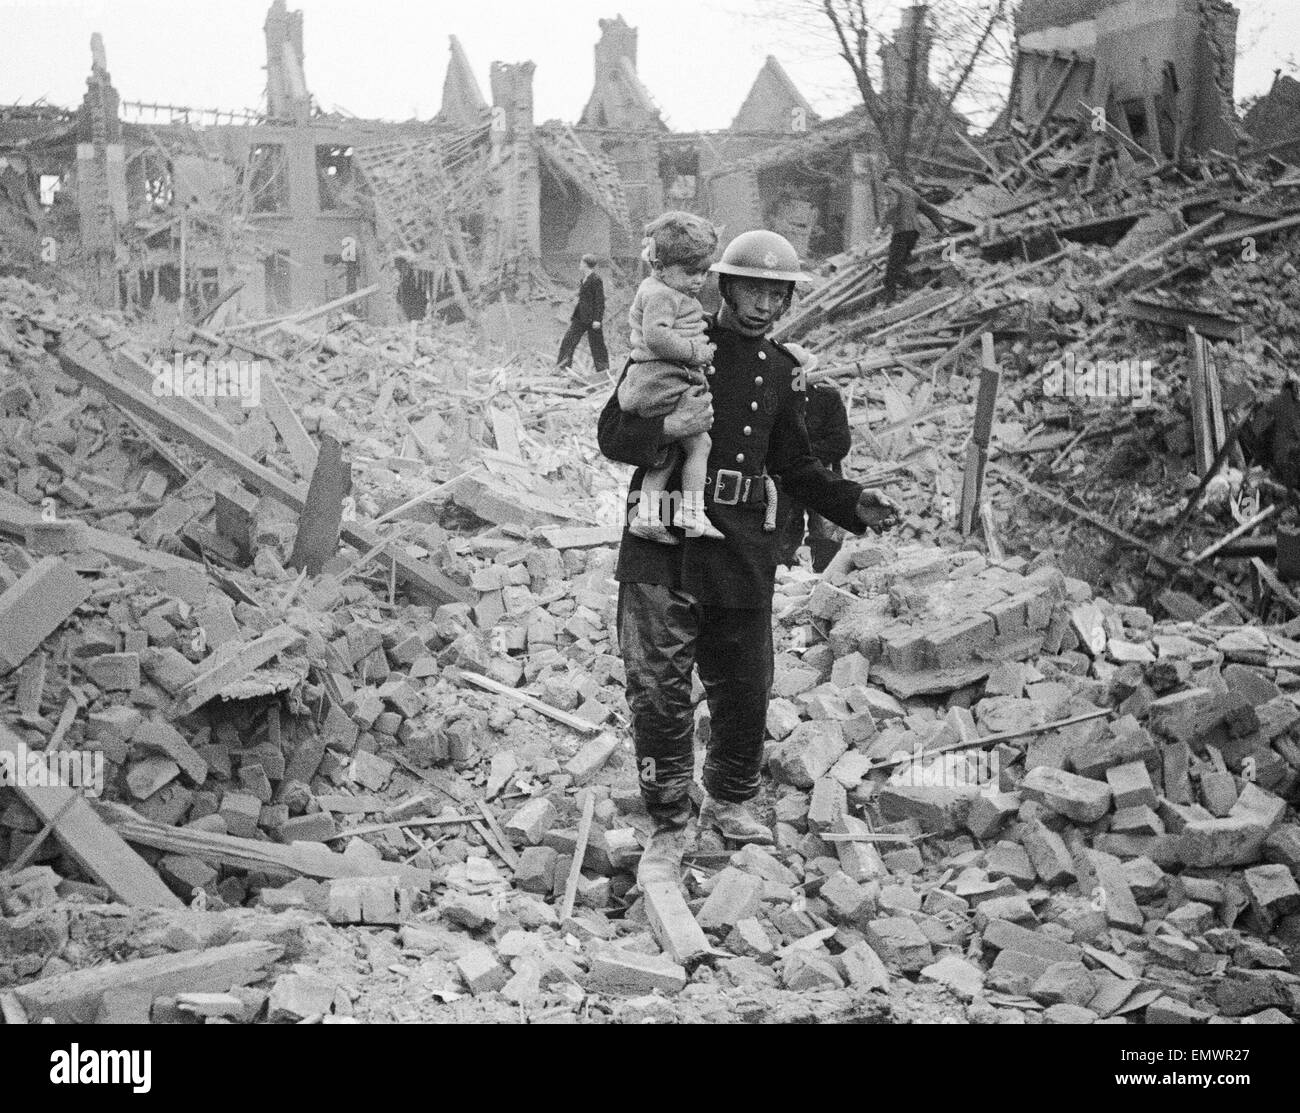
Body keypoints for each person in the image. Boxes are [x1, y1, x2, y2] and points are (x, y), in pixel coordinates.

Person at [597, 229, 900, 883]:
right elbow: (613, 432)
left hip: (740, 544)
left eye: (777, 293)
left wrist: (851, 501)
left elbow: (794, 465)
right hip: (664, 536)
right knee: (659, 689)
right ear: (725, 287)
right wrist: (665, 430)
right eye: (752, 289)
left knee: (746, 685)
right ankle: (667, 816)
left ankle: (729, 800)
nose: (764, 304)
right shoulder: (673, 342)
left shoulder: (784, 371)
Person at [621, 212, 724, 544]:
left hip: (652, 380)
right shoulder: (662, 294)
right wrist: (696, 352)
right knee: (700, 443)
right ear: (660, 266)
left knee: (667, 452)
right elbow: (657, 336)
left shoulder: (664, 289)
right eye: (690, 271)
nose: (698, 280)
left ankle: (648, 515)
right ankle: (692, 512)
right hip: (662, 380)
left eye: (704, 272)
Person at [776, 345, 852, 573]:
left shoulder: (827, 399)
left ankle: (823, 573)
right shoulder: (772, 403)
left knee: (828, 532)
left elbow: (840, 442)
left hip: (821, 475)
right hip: (783, 480)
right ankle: (784, 573)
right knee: (783, 530)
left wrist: (803, 458)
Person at [880, 169, 949, 304]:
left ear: (891, 179)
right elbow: (930, 210)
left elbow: (892, 208)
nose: (886, 184)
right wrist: (943, 227)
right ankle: (916, 288)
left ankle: (892, 299)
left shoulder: (892, 190)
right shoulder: (912, 192)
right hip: (913, 233)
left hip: (901, 231)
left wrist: (882, 226)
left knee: (892, 267)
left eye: (886, 181)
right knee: (898, 266)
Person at [555, 254, 609, 374]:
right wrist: (573, 295)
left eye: (581, 262)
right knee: (568, 341)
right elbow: (585, 295)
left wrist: (597, 320)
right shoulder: (584, 278)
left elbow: (599, 301)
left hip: (592, 319)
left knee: (597, 346)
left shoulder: (596, 279)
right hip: (580, 316)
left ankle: (604, 372)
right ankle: (562, 368)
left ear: (585, 264)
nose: (579, 264)